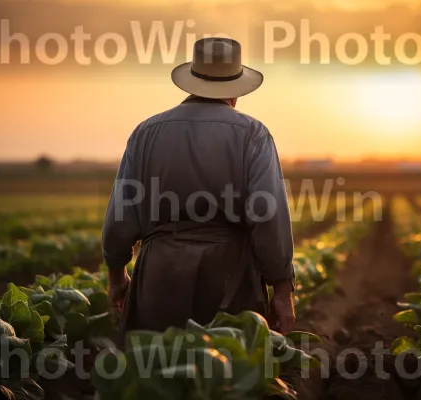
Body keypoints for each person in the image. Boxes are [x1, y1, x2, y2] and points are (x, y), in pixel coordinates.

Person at [101, 38, 295, 342]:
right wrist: (282, 287)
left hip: (159, 274)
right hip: (229, 276)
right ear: (235, 90)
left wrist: (116, 276)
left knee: (156, 374)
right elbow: (268, 217)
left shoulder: (146, 132)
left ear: (190, 82)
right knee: (227, 374)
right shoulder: (253, 134)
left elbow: (121, 217)